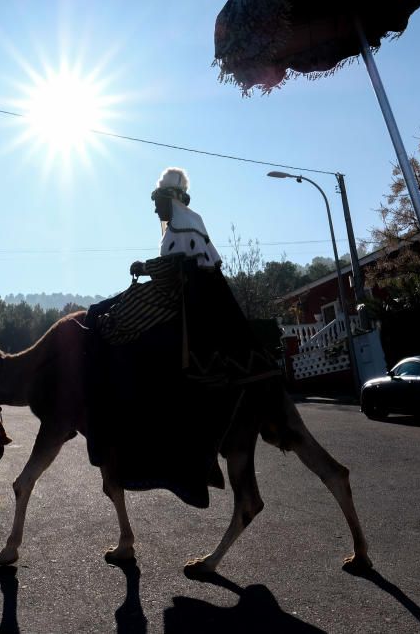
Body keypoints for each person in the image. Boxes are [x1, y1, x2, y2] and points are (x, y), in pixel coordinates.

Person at [84, 167, 279, 507]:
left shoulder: (185, 222)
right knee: (115, 309)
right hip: (178, 296)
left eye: (157, 202)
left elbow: (179, 268)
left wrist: (146, 268)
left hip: (180, 302)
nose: (155, 209)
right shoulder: (184, 224)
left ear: (170, 199)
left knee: (115, 322)